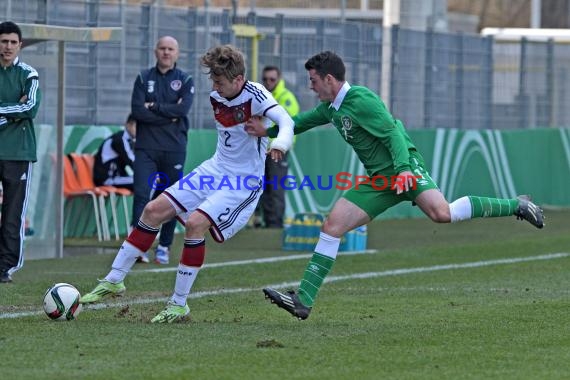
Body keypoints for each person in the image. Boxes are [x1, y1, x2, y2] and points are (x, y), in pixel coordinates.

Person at [244, 50, 545, 320]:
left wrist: (403, 170)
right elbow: (302, 121)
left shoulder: (362, 100)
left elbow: (393, 135)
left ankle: (518, 205)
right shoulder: (331, 107)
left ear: (330, 79)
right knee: (332, 226)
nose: (310, 86)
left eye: (313, 80)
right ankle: (303, 300)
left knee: (442, 214)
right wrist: (267, 129)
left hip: (405, 168)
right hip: (379, 179)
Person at [79, 44, 294, 323]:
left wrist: (277, 140)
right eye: (213, 80)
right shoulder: (218, 94)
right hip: (215, 168)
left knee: (195, 223)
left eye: (220, 81)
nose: (215, 86)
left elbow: (287, 121)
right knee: (153, 210)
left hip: (243, 181)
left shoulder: (256, 94)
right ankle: (114, 279)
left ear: (238, 80)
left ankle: (179, 304)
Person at [130, 36, 194, 265]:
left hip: (174, 147)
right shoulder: (142, 77)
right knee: (141, 194)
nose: (166, 52)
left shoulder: (185, 79)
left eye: (171, 49)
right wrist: (169, 114)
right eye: (162, 48)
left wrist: (154, 107)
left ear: (177, 53)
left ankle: (164, 247)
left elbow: (184, 109)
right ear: (155, 51)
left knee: (171, 199)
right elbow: (137, 111)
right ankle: (138, 246)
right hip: (146, 147)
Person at [0, 21, 42, 283]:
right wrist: (15, 107)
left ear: (20, 45)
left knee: (13, 214)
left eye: (13, 42)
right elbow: (21, 109)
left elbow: (31, 108)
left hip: (19, 153)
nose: (8, 46)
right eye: (4, 41)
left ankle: (5, 267)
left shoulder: (29, 74)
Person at [253, 65, 300, 228]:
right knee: (261, 187)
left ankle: (275, 225)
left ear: (279, 79)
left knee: (276, 188)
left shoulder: (286, 98)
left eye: (272, 79)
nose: (268, 82)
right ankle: (261, 222)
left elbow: (287, 125)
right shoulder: (261, 96)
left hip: (277, 151)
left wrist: (278, 145)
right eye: (265, 79)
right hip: (260, 150)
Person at [93, 114, 136, 190]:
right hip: (106, 179)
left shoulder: (129, 140)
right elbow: (132, 161)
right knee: (143, 181)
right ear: (128, 125)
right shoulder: (119, 139)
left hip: (116, 177)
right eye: (136, 127)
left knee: (145, 181)